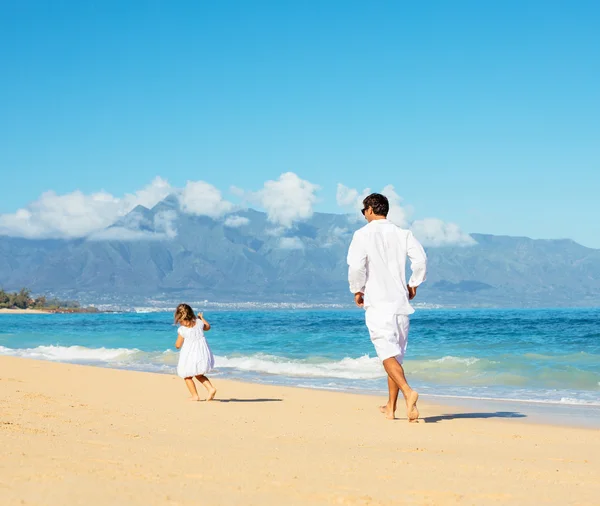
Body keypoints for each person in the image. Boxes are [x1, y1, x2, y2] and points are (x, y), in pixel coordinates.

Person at [347, 193, 427, 422]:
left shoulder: (362, 235)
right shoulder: (403, 234)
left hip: (378, 304)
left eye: (364, 210)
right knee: (395, 358)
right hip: (401, 305)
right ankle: (391, 407)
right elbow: (420, 260)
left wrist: (357, 289)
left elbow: (355, 266)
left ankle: (408, 392)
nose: (364, 214)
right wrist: (414, 284)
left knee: (386, 355)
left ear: (370, 210)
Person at [174, 303, 217, 401]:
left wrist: (176, 345)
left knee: (187, 376)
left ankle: (195, 396)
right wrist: (201, 318)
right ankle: (210, 388)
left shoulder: (182, 330)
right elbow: (208, 327)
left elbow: (178, 345)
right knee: (199, 374)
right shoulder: (199, 323)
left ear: (179, 317)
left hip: (190, 355)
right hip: (201, 353)